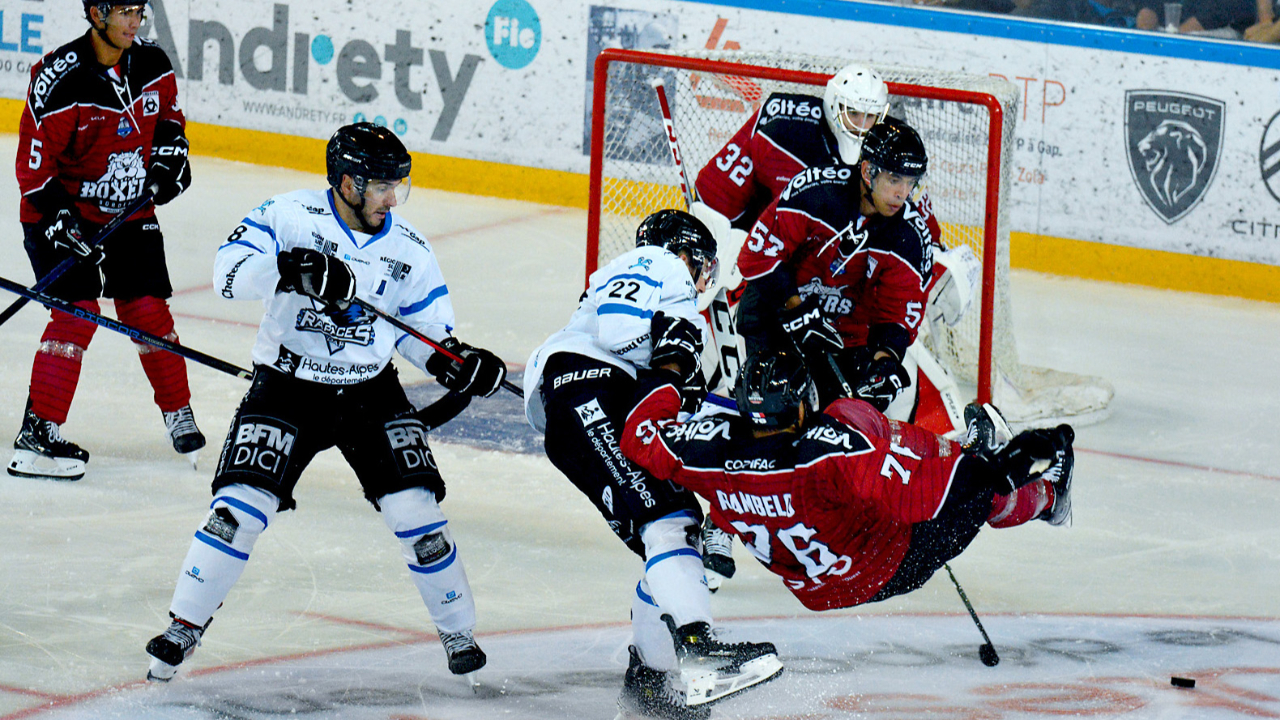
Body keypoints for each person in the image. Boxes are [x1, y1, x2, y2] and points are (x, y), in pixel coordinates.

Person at [144, 123, 508, 683]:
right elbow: (228, 276)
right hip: (288, 388)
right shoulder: (288, 215)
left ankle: (457, 630)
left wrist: (453, 362)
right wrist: (289, 269)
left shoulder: (408, 247)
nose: (393, 199)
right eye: (383, 186)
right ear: (346, 181)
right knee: (237, 510)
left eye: (399, 187)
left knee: (418, 514)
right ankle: (183, 627)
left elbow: (422, 330)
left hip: (371, 391)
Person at [523, 210, 781, 720]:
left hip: (596, 402)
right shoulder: (652, 262)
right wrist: (677, 351)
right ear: (679, 250)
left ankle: (648, 680)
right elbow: (622, 331)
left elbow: (682, 405)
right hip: (590, 391)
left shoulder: (661, 294)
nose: (704, 279)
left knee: (670, 532)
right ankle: (698, 650)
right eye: (702, 265)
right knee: (666, 520)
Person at [622, 348, 1075, 615]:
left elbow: (636, 437)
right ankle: (1048, 498)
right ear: (800, 404)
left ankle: (959, 453)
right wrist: (1009, 462)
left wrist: (669, 373)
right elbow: (934, 496)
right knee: (965, 485)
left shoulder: (706, 454)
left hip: (813, 591)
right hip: (891, 565)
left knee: (864, 455)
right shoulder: (826, 453)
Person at [9, 0, 204, 482]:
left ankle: (178, 412)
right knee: (78, 313)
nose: (134, 22)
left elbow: (170, 128)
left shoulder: (154, 63)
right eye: (123, 11)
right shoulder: (58, 78)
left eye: (139, 11)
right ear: (96, 13)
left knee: (146, 311)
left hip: (129, 210)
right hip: (60, 213)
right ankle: (38, 432)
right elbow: (32, 170)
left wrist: (168, 164)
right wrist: (60, 218)